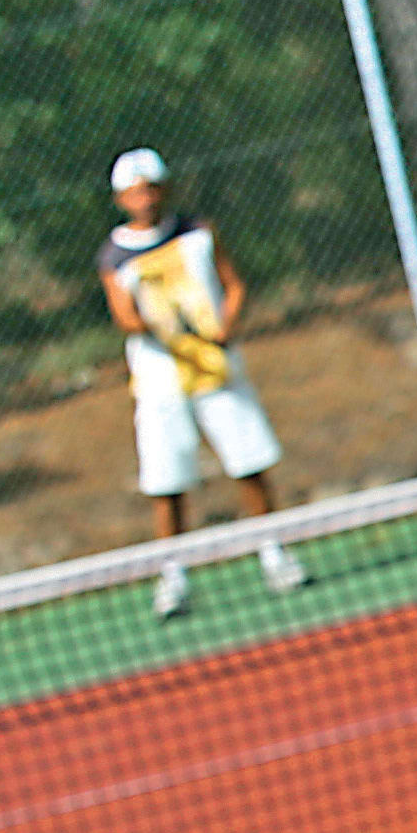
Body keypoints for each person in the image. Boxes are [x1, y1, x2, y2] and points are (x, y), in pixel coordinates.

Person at [96, 148, 306, 619]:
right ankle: (173, 578)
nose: (145, 199)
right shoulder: (115, 255)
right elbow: (125, 316)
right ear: (120, 199)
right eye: (135, 192)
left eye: (152, 189)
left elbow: (234, 286)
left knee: (249, 465)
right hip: (161, 386)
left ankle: (275, 555)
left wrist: (225, 325)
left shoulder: (198, 233)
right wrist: (160, 328)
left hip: (217, 373)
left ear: (166, 189)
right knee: (167, 483)